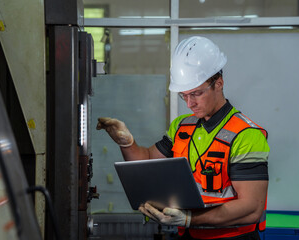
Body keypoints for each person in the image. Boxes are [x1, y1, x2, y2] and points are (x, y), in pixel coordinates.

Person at [96, 36, 269, 240]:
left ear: (219, 83)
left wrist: (189, 219)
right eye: (183, 95)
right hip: (188, 234)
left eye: (196, 93)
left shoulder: (246, 135)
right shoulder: (182, 126)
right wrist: (126, 143)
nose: (189, 103)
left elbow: (251, 208)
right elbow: (147, 162)